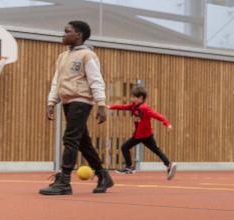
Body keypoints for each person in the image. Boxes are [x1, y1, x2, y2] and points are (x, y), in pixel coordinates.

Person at [40, 21, 112, 196]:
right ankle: (103, 176)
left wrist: (101, 105)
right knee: (82, 142)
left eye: (67, 32)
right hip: (67, 102)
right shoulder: (62, 57)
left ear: (78, 35)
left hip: (81, 101)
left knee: (70, 138)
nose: (63, 35)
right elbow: (57, 81)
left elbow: (96, 81)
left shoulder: (88, 55)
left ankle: (64, 181)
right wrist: (51, 102)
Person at [111, 85, 177, 179]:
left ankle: (129, 167)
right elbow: (122, 107)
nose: (132, 99)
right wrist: (110, 107)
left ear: (141, 97)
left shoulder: (145, 108)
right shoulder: (133, 106)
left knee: (124, 147)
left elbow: (156, 115)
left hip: (141, 135)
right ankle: (169, 164)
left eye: (134, 97)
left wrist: (167, 124)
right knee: (155, 149)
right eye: (132, 97)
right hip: (147, 134)